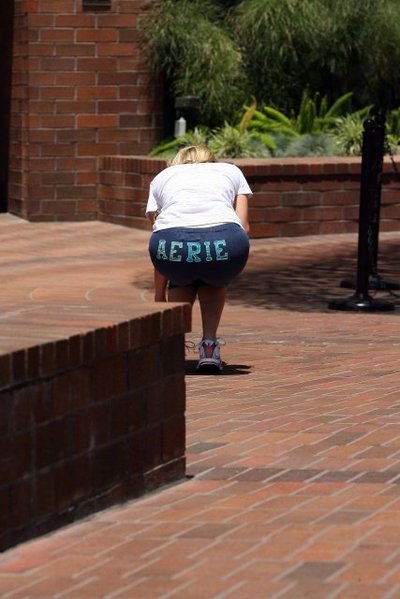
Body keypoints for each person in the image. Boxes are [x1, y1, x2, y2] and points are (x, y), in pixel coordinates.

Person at [146, 145, 252, 372]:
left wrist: (159, 295)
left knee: (181, 276)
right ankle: (209, 346)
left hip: (170, 245)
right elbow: (243, 226)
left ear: (177, 161)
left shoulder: (162, 177)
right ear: (211, 159)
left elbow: (161, 230)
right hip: (226, 243)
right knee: (213, 277)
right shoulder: (231, 170)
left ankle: (173, 346)